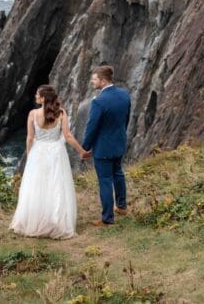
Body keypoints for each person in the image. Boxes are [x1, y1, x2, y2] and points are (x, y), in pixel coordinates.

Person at [9, 84, 85, 238]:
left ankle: (35, 221)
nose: (35, 96)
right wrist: (81, 151)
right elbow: (68, 136)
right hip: (57, 152)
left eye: (37, 94)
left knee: (37, 186)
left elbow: (30, 138)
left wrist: (30, 154)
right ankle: (56, 221)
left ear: (43, 98)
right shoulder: (61, 113)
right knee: (56, 185)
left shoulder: (33, 114)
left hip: (39, 152)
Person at [80, 64, 131, 226]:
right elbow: (126, 120)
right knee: (118, 173)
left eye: (94, 79)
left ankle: (107, 218)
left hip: (103, 147)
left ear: (102, 81)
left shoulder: (99, 102)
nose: (92, 82)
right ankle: (122, 206)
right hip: (119, 143)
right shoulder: (124, 95)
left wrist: (85, 147)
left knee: (105, 180)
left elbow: (91, 127)